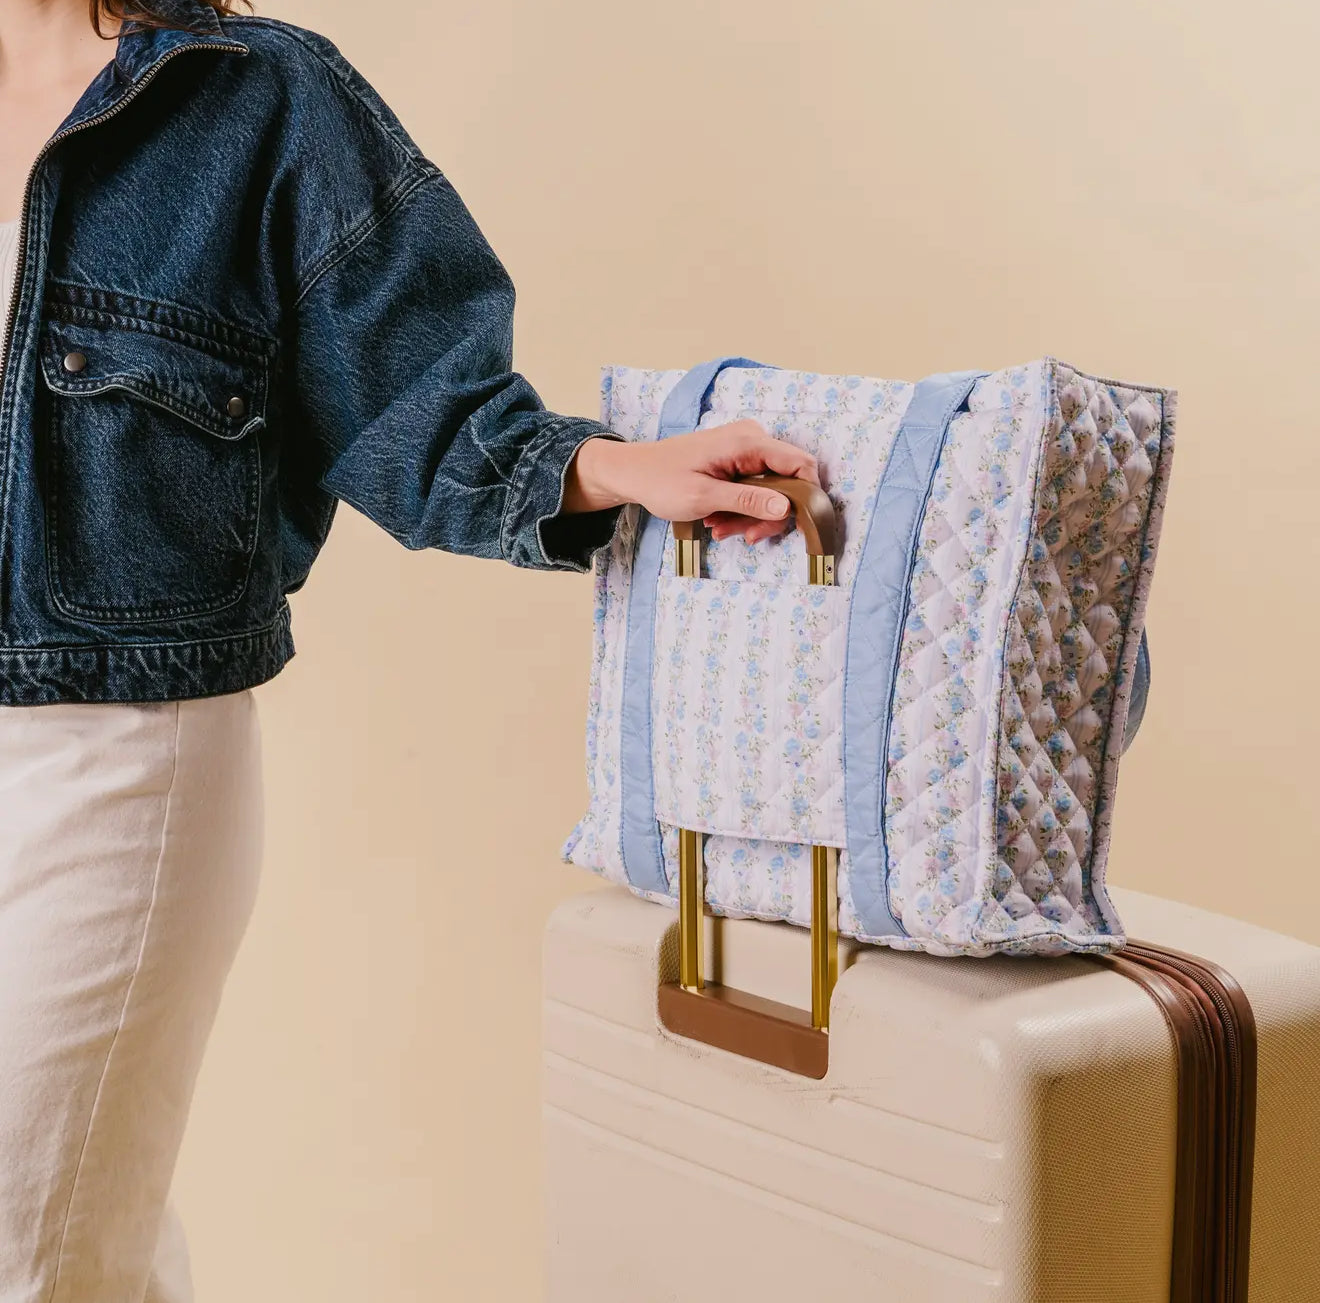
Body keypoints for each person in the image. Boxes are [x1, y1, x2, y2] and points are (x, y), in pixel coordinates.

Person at [0, 0, 819, 1297]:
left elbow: (411, 394)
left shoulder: (258, 97)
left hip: (110, 761)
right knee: (91, 1232)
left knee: (28, 1241)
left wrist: (599, 467)